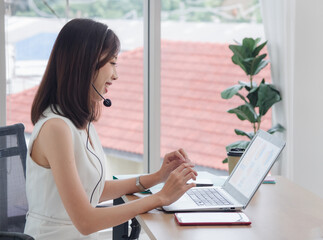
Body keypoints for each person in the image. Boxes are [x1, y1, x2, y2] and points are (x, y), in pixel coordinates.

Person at [24, 18, 197, 239]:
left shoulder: (78, 123)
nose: (115, 75)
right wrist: (160, 197)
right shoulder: (56, 128)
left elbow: (92, 191)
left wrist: (157, 177)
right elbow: (86, 221)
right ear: (86, 64)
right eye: (112, 63)